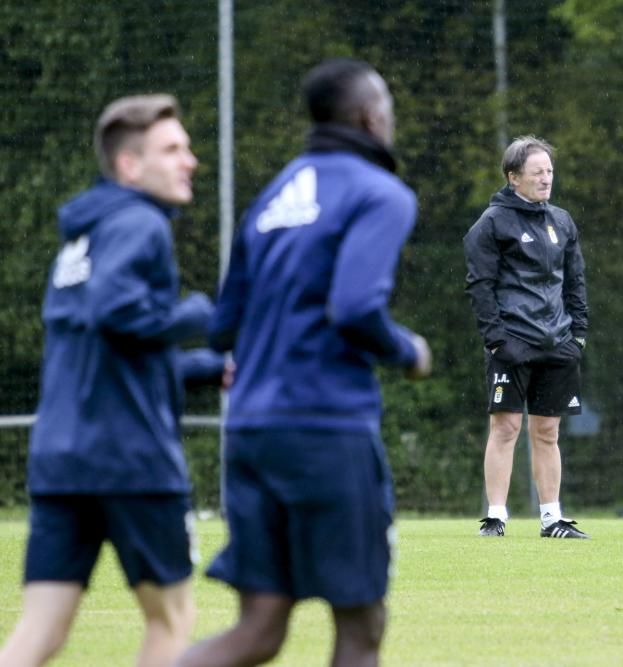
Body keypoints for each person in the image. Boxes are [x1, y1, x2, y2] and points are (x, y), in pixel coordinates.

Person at [175, 58, 431, 667]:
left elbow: (223, 326)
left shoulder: (273, 197)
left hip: (251, 430)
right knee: (361, 625)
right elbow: (355, 306)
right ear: (371, 117)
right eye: (388, 108)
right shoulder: (381, 193)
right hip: (325, 427)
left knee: (258, 632)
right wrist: (407, 351)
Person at [0, 95, 218, 667]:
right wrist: (199, 316)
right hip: (131, 460)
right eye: (173, 149)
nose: (190, 160)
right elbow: (115, 313)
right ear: (129, 166)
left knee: (41, 629)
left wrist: (206, 367)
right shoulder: (140, 223)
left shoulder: (81, 239)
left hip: (62, 457)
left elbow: (112, 349)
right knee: (171, 618)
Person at [464, 136, 590, 539]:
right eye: (537, 172)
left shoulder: (562, 221)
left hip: (558, 343)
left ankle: (552, 518)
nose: (546, 178)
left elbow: (576, 282)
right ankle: (496, 517)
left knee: (548, 432)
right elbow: (479, 286)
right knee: (505, 428)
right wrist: (497, 340)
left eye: (549, 171)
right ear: (513, 176)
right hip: (512, 343)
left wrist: (580, 334)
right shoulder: (492, 223)